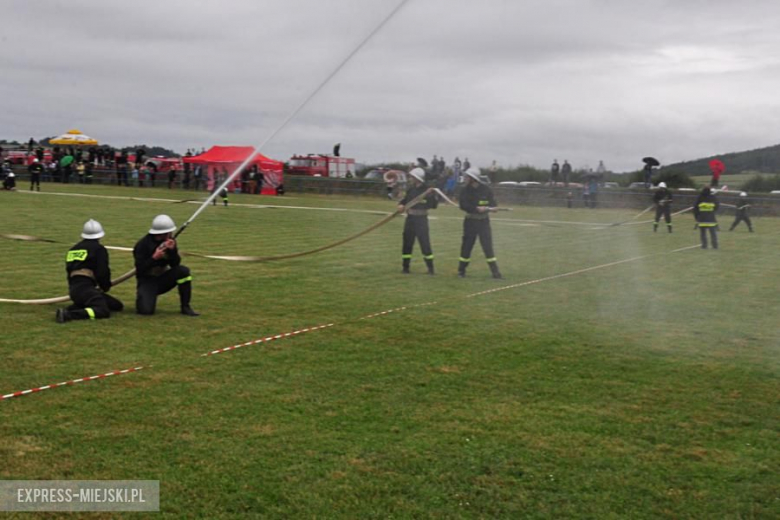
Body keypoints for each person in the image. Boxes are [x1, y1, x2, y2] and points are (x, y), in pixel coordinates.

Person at [55, 220, 124, 323]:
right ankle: (68, 315)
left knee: (116, 305)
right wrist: (105, 286)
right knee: (103, 311)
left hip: (75, 289)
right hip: (86, 288)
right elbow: (103, 271)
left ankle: (76, 307)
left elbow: (69, 271)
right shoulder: (99, 249)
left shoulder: (73, 249)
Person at [133, 214, 199, 316]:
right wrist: (154, 258)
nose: (171, 234)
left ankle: (185, 306)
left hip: (163, 279)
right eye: (169, 232)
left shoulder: (170, 241)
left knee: (183, 271)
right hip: (147, 280)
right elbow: (140, 269)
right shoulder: (142, 245)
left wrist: (172, 251)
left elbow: (175, 264)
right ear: (163, 233)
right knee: (146, 311)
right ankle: (144, 296)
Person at [458, 168, 503, 279]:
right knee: (467, 246)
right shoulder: (465, 190)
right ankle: (461, 271)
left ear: (473, 179)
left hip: (483, 222)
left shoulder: (486, 189)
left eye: (467, 177)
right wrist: (476, 209)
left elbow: (493, 203)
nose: (466, 178)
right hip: (470, 222)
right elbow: (463, 205)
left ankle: (495, 273)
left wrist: (492, 208)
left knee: (488, 247)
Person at [397, 167, 438, 275]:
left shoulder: (427, 190)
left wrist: (431, 195)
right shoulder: (411, 189)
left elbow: (434, 205)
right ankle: (405, 268)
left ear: (417, 178)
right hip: (410, 219)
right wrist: (401, 205)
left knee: (425, 244)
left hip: (421, 220)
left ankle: (430, 268)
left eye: (412, 177)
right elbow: (405, 200)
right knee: (407, 243)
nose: (410, 178)